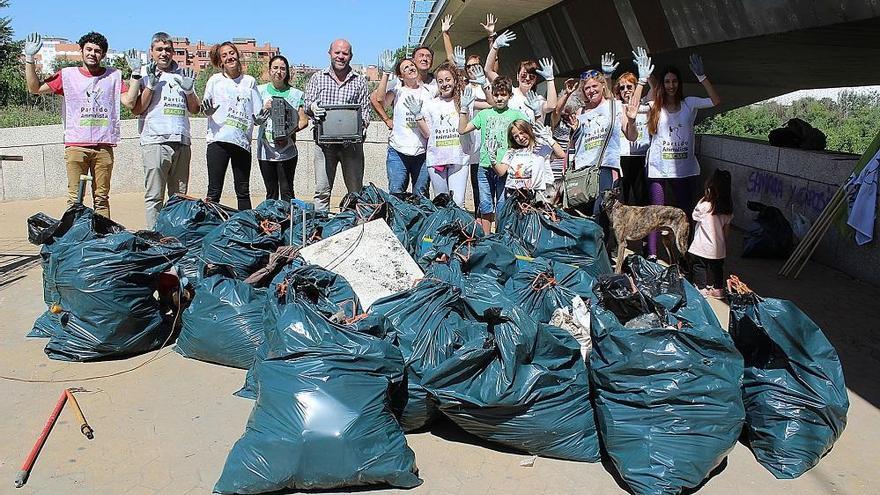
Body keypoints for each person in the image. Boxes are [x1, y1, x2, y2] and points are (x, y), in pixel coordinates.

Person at [23, 31, 139, 218]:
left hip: (104, 146)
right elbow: (34, 89)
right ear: (81, 51)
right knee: (75, 199)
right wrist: (30, 58)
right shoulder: (67, 75)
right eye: (89, 49)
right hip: (76, 145)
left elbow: (130, 102)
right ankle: (74, 239)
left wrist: (135, 74)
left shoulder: (113, 76)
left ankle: (102, 239)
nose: (93, 53)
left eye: (98, 50)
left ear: (103, 55)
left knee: (101, 199)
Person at [645, 54, 721, 259]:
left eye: (674, 81)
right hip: (659, 167)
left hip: (684, 168)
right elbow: (636, 109)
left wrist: (701, 76)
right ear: (663, 83)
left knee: (685, 213)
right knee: (655, 212)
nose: (671, 85)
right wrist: (647, 78)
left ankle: (686, 254)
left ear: (679, 83)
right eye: (667, 81)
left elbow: (715, 100)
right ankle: (651, 255)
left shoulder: (689, 103)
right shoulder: (655, 106)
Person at [569, 48, 651, 218]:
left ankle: (604, 245)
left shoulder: (615, 106)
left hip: (606, 168)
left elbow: (632, 136)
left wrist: (632, 119)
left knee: (602, 213)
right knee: (583, 215)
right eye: (587, 88)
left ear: (602, 86)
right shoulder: (580, 112)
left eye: (594, 86)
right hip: (583, 170)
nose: (591, 90)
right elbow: (575, 144)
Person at [129, 32, 200, 229]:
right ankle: (156, 238)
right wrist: (150, 85)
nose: (164, 53)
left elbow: (195, 109)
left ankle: (176, 236)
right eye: (159, 49)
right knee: (154, 196)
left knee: (180, 197)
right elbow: (137, 109)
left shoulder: (182, 74)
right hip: (155, 142)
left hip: (181, 141)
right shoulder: (143, 73)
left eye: (168, 50)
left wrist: (188, 90)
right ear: (151, 52)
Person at [304, 39, 371, 211]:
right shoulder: (317, 78)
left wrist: (359, 129)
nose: (341, 57)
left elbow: (365, 112)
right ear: (330, 53)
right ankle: (318, 231)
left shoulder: (360, 81)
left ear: (350, 56)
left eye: (345, 53)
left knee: (355, 191)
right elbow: (307, 104)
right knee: (322, 192)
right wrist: (312, 108)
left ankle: (354, 227)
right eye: (337, 52)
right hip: (324, 145)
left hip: (352, 147)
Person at [458, 76, 529, 234]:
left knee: (503, 205)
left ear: (510, 96)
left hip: (505, 168)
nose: (499, 98)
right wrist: (463, 109)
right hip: (484, 166)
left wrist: (536, 114)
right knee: (485, 204)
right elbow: (462, 130)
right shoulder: (484, 114)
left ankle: (502, 236)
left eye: (503, 95)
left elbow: (529, 133)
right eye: (496, 95)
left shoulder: (516, 114)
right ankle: (486, 238)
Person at [201, 41, 266, 210]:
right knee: (214, 190)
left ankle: (246, 229)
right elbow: (205, 107)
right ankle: (209, 228)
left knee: (243, 191)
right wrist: (207, 111)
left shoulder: (250, 81)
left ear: (237, 55)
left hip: (242, 142)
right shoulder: (214, 80)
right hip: (218, 141)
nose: (229, 57)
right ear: (220, 61)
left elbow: (258, 113)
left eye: (231, 53)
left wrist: (260, 120)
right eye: (224, 55)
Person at [440, 13, 495, 215]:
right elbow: (451, 63)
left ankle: (485, 220)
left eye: (475, 66)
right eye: (469, 66)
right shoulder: (462, 86)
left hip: (485, 147)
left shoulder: (485, 84)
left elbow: (493, 67)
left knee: (485, 189)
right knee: (467, 189)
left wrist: (492, 38)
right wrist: (446, 33)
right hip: (466, 146)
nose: (472, 69)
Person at [410, 62, 470, 206]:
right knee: (441, 203)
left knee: (458, 202)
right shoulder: (430, 104)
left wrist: (461, 69)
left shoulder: (464, 101)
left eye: (448, 80)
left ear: (455, 80)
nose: (444, 84)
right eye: (440, 81)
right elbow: (427, 133)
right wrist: (418, 116)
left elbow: (489, 102)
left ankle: (458, 228)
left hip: (458, 159)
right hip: (437, 159)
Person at [371, 53, 431, 197]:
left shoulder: (430, 91)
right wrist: (385, 73)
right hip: (398, 152)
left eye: (412, 65)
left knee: (421, 195)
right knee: (396, 193)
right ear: (401, 76)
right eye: (405, 68)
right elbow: (379, 99)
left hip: (423, 152)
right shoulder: (397, 91)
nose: (410, 68)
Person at [256, 55, 309, 202]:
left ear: (287, 72)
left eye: (282, 68)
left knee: (287, 192)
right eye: (275, 68)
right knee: (271, 193)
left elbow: (304, 121)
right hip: (265, 151)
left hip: (287, 151)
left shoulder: (296, 94)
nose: (278, 71)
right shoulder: (259, 91)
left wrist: (287, 133)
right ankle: (272, 223)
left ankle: (288, 223)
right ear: (269, 70)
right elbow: (253, 118)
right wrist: (263, 108)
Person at [484, 28, 557, 123]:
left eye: (531, 77)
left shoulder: (538, 99)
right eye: (523, 75)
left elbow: (551, 106)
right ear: (517, 76)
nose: (527, 79)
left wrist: (550, 79)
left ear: (535, 80)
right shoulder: (508, 92)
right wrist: (495, 47)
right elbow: (488, 70)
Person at [490, 120, 563, 203]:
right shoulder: (511, 152)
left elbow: (561, 155)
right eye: (516, 136)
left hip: (537, 196)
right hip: (515, 195)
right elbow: (501, 172)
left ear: (528, 130)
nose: (520, 138)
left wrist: (549, 139)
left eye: (522, 133)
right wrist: (492, 159)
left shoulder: (540, 148)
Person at [688, 169, 733, 299]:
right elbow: (726, 231)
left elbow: (694, 216)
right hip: (718, 247)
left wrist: (703, 199)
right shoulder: (727, 211)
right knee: (717, 269)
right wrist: (723, 242)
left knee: (699, 266)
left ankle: (701, 288)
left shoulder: (704, 206)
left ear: (709, 190)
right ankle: (718, 289)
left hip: (701, 246)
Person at [614, 69, 650, 206]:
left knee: (641, 199)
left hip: (641, 157)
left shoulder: (646, 105)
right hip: (621, 158)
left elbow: (656, 90)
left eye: (629, 87)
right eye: (622, 88)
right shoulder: (617, 106)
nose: (626, 90)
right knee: (622, 200)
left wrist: (645, 78)